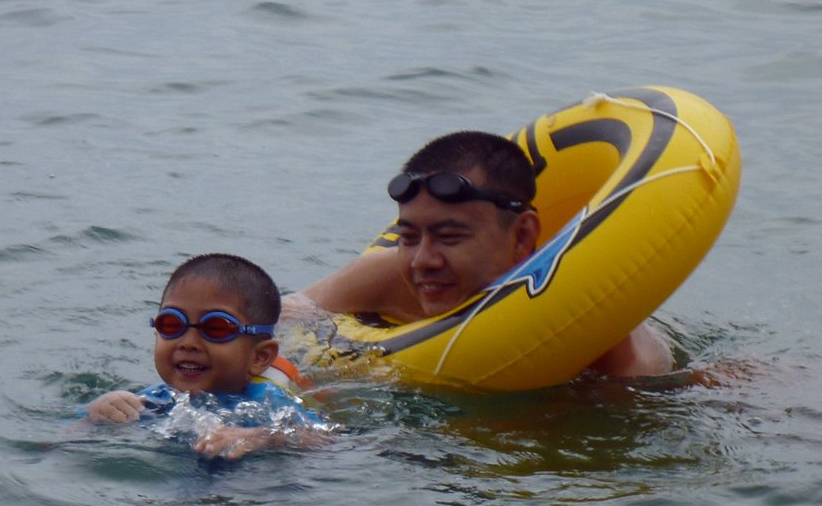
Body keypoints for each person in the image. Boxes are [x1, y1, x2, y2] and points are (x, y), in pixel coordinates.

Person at [281, 130, 674, 378]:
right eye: (409, 237)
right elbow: (279, 317)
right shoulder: (386, 276)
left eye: (450, 237)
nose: (422, 261)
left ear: (523, 235)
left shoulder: (602, 337)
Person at [83, 253, 330, 459]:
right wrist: (98, 412)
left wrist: (262, 437)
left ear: (259, 357)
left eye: (216, 328)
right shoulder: (154, 399)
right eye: (172, 324)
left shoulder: (267, 401)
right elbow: (69, 437)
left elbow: (324, 438)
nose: (188, 343)